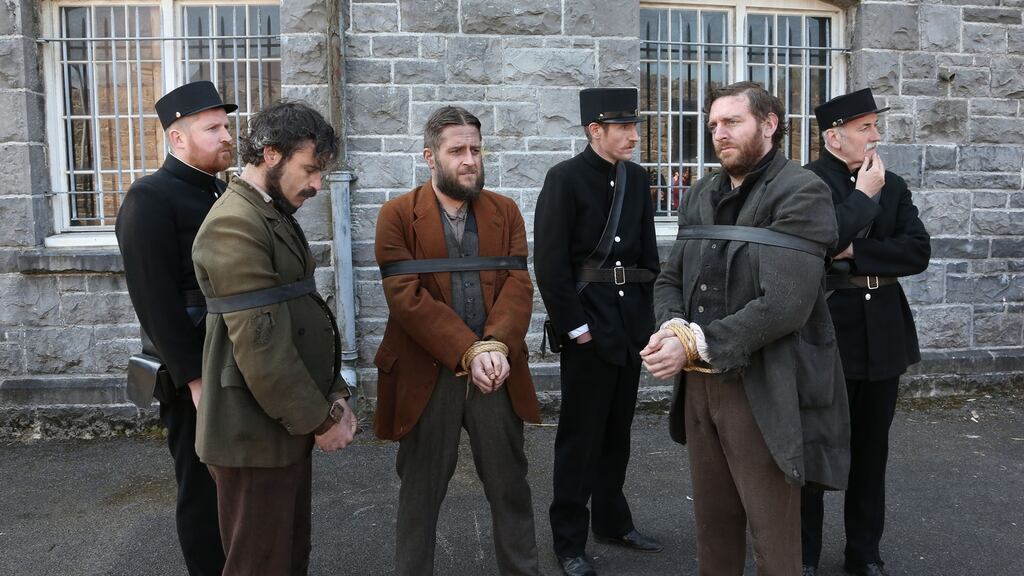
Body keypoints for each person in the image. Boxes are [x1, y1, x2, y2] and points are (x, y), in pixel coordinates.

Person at [640, 81, 850, 575]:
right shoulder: (699, 193)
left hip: (763, 383)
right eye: (713, 124)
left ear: (769, 124)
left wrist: (695, 342)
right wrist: (672, 327)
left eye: (731, 122)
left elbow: (785, 305)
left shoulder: (802, 190)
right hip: (698, 385)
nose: (719, 133)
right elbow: (672, 277)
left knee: (773, 539)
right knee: (713, 530)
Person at [373, 106, 541, 576]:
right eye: (457, 151)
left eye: (476, 150)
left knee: (510, 486)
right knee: (421, 492)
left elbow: (517, 287)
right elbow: (406, 301)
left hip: (496, 372)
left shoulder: (505, 211)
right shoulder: (398, 216)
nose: (470, 160)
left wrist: (496, 346)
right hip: (428, 375)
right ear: (430, 157)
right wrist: (470, 349)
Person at [191, 100, 357, 576]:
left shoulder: (270, 212)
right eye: (309, 169)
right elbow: (264, 352)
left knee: (287, 556)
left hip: (279, 427)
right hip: (251, 433)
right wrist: (323, 420)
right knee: (260, 565)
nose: (317, 184)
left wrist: (335, 391)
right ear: (270, 154)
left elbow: (301, 315)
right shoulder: (234, 223)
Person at [800, 88, 931, 576]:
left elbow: (918, 250)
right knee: (816, 449)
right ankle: (803, 555)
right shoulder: (806, 183)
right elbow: (818, 243)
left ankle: (864, 553)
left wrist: (856, 253)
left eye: (875, 126)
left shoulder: (892, 184)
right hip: (829, 331)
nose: (875, 136)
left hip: (883, 331)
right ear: (835, 137)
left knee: (871, 452)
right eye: (865, 128)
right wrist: (861, 201)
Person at [534, 88, 662, 576]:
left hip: (630, 328)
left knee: (618, 431)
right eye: (624, 128)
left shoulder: (637, 178)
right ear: (595, 131)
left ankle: (612, 521)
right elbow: (549, 263)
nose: (633, 135)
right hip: (588, 326)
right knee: (579, 438)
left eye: (634, 126)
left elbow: (649, 259)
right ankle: (569, 541)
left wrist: (646, 323)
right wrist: (577, 327)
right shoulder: (564, 180)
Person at [115, 80, 234, 576]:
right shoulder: (150, 197)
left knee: (240, 486)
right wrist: (195, 380)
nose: (227, 135)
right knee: (203, 491)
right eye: (213, 128)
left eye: (227, 125)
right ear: (177, 139)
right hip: (195, 376)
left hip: (236, 362)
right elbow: (155, 302)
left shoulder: (221, 191)